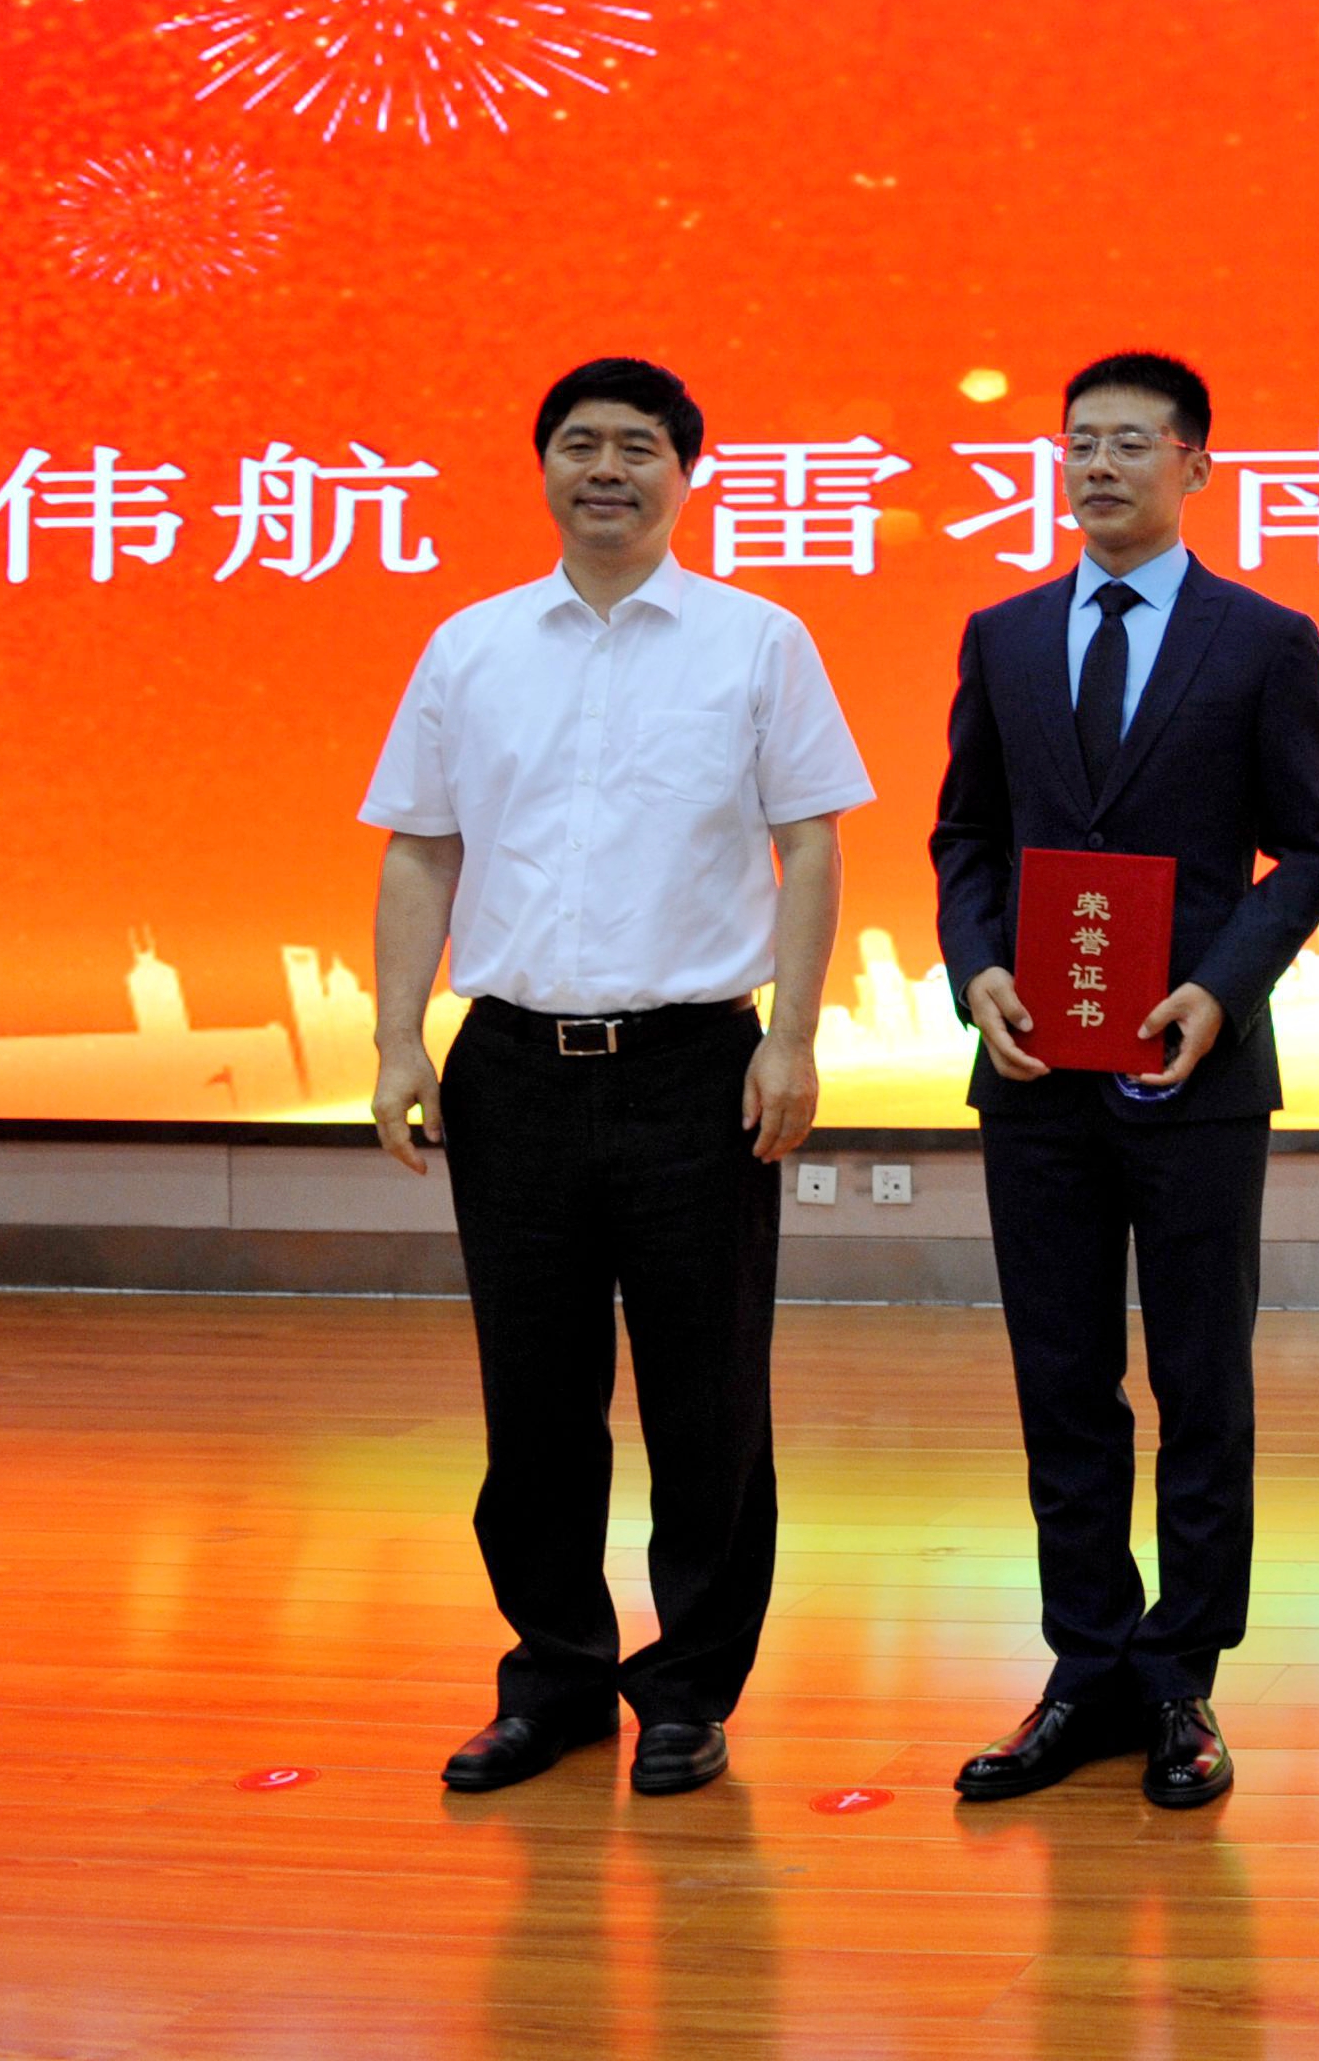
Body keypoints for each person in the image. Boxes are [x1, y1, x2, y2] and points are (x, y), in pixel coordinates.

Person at [360, 357, 873, 1800]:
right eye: (578, 444)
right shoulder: (470, 646)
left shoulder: (757, 641)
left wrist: (792, 1036)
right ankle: (559, 1680)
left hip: (694, 1068)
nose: (606, 470)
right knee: (533, 1400)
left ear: (685, 474)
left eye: (637, 447)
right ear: (542, 468)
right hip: (512, 1067)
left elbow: (812, 843)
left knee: (708, 1402)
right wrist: (398, 1040)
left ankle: (691, 1689)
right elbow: (420, 849)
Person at [933, 352, 1319, 1812]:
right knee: (1061, 1379)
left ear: (1195, 467)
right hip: (1035, 1067)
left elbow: (1311, 847)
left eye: (1129, 443)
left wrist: (1221, 989)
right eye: (1078, 445)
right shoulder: (1002, 635)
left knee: (1199, 1380)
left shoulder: (1265, 639)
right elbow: (966, 835)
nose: (1097, 467)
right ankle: (1087, 1666)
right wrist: (977, 969)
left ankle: (1183, 1679)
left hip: (1194, 1069)